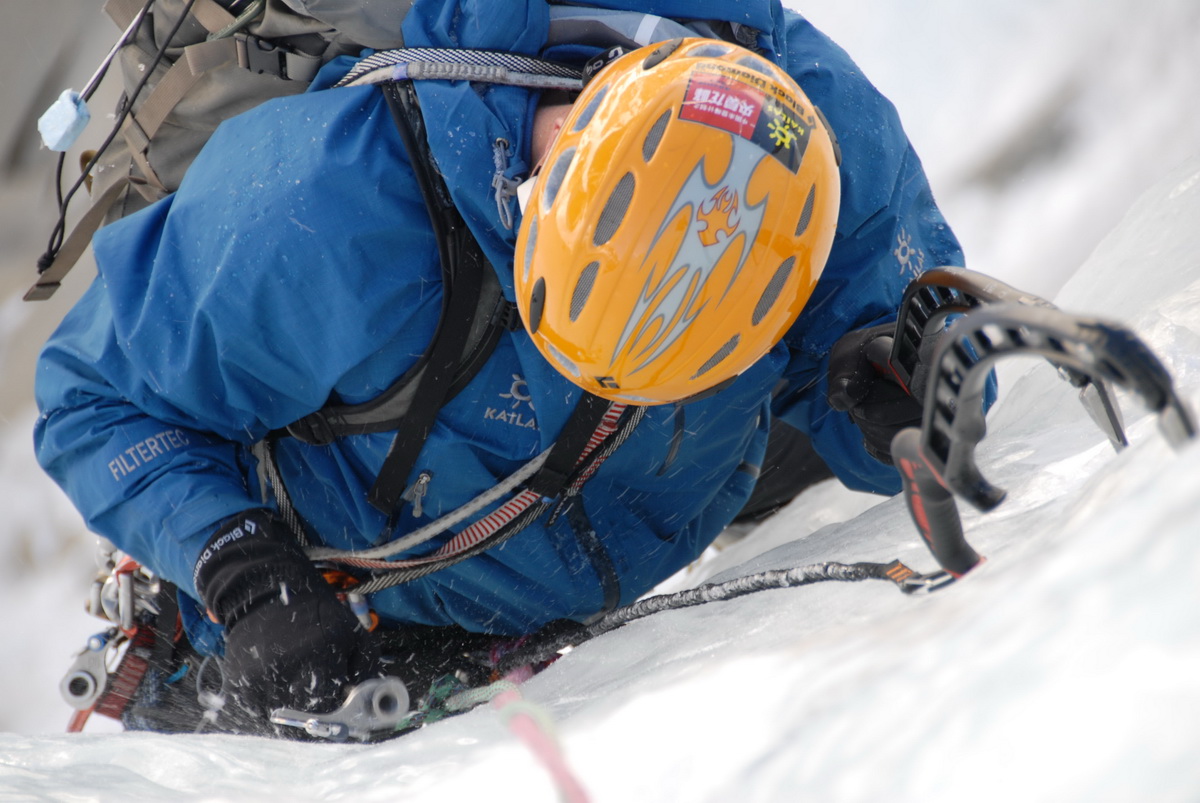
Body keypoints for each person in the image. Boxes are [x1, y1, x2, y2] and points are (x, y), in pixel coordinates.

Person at [34, 1, 962, 736]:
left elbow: (925, 377)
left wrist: (886, 383)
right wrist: (240, 570)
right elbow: (90, 396)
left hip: (691, 474)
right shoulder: (327, 200)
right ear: (537, 191)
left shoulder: (816, 140)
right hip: (358, 593)